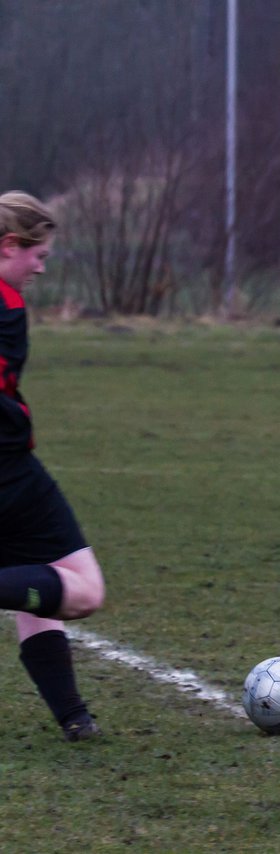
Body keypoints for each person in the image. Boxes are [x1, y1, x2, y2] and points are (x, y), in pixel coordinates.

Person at [0, 191, 106, 741]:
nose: (41, 266)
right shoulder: (6, 304)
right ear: (11, 246)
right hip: (9, 473)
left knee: (35, 582)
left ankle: (72, 715)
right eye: (38, 254)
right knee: (83, 590)